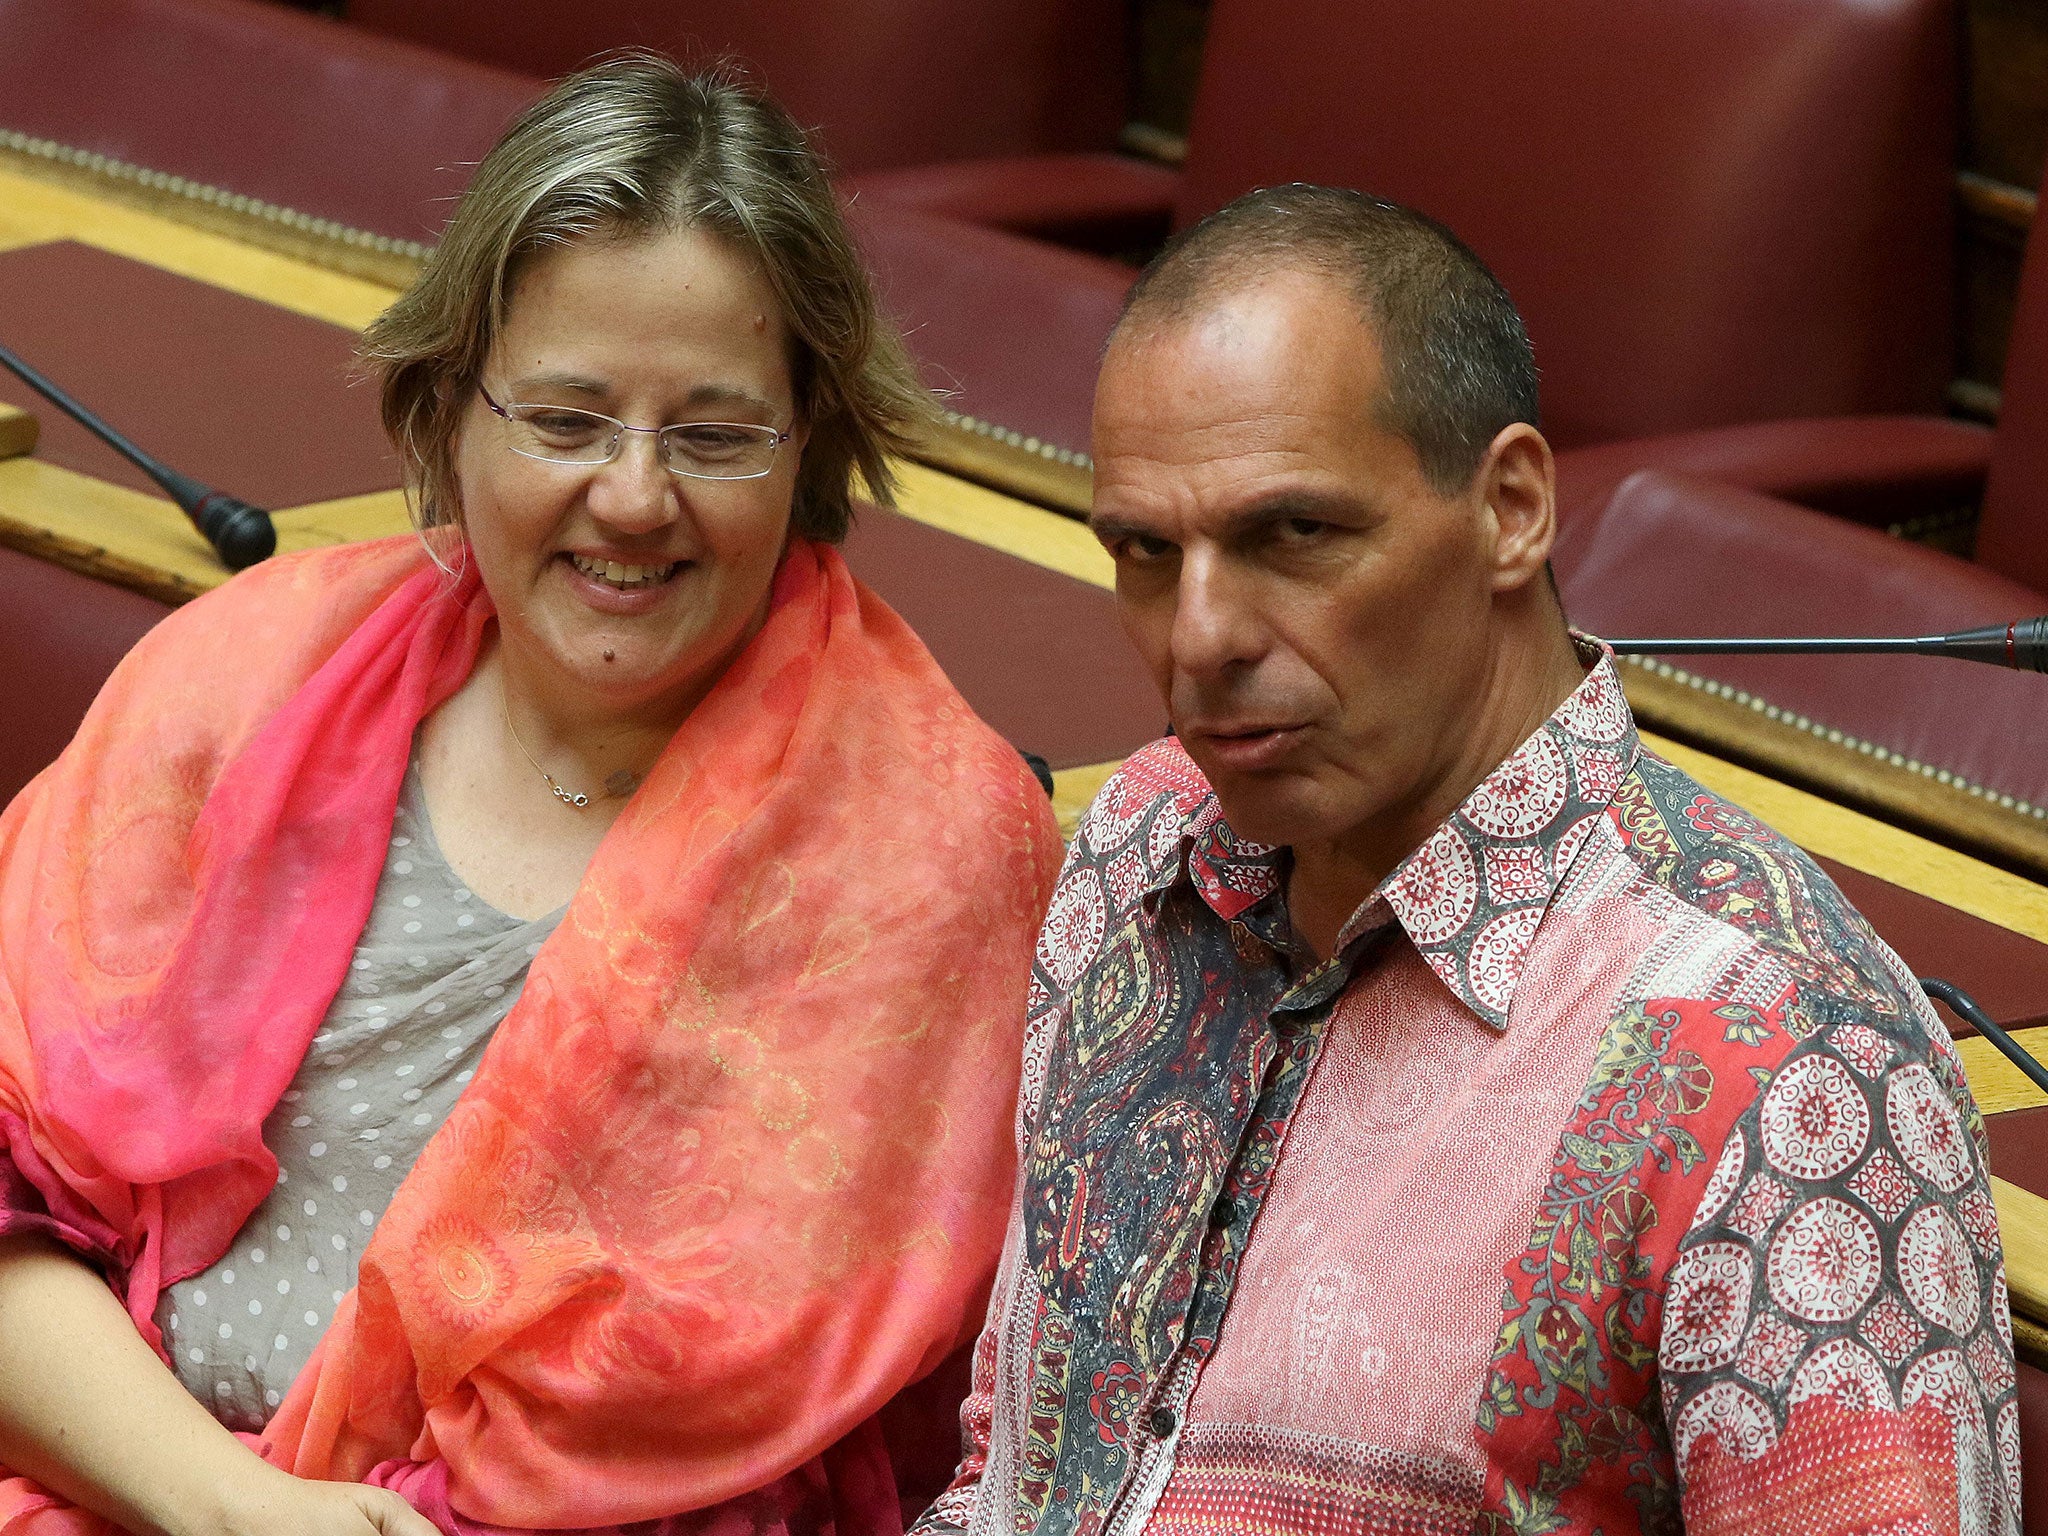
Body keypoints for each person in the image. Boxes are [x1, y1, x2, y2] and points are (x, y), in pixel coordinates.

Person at [0, 56, 1061, 1536]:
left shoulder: (922, 854)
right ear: (452, 412)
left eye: (711, 432)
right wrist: (226, 1513)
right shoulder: (238, 685)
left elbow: (761, 1466)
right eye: (565, 420)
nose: (632, 497)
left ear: (812, 437)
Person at [913, 184, 2018, 1536]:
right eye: (1148, 553)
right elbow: (1010, 1470)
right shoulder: (1140, 845)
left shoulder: (1795, 1074)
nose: (1197, 636)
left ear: (1509, 508)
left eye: (1292, 535)